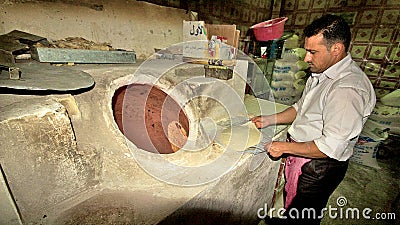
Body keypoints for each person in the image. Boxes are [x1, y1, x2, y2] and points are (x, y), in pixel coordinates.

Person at [251, 14, 376, 224]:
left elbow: (330, 147)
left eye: (312, 52)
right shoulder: (320, 74)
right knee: (294, 205)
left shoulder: (347, 89)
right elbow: (302, 108)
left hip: (319, 167)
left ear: (336, 49)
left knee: (305, 214)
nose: (306, 58)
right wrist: (269, 119)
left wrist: (283, 147)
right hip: (305, 156)